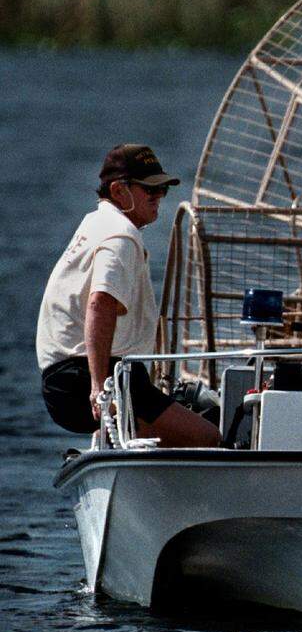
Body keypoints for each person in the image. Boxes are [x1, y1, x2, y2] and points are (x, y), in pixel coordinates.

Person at [37, 144, 219, 447]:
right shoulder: (121, 235)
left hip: (64, 376)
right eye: (150, 190)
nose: (158, 197)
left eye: (162, 190)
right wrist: (98, 387)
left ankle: (115, 450)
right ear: (120, 190)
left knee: (153, 434)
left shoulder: (95, 223)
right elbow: (101, 304)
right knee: (209, 437)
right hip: (88, 374)